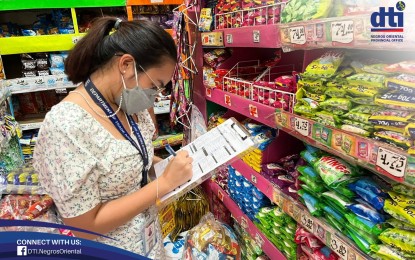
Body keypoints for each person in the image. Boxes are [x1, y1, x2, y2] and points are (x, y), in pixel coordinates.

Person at [33, 17, 193, 258]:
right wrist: (164, 184)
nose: (155, 95)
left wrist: (165, 167)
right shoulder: (66, 126)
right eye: (155, 85)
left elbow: (134, 162)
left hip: (148, 244)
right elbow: (83, 225)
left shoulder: (128, 106)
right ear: (126, 65)